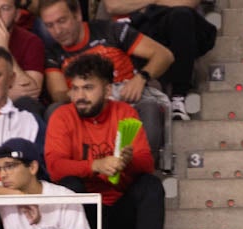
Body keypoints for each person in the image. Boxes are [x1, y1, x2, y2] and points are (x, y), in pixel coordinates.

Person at [44, 53, 172, 229]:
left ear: (107, 89)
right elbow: (55, 167)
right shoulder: (63, 116)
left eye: (88, 88)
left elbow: (146, 163)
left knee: (151, 184)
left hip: (120, 215)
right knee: (68, 185)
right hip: (84, 219)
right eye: (75, 89)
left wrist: (127, 161)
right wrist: (96, 165)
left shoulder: (123, 112)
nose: (80, 96)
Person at [39, 0, 172, 159]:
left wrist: (141, 78)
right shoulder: (53, 53)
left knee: (150, 107)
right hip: (86, 113)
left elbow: (164, 55)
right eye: (50, 25)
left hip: (126, 103)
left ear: (78, 15)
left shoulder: (110, 31)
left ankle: (141, 167)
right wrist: (88, 92)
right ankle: (74, 169)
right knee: (55, 110)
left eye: (62, 21)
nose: (58, 30)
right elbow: (58, 94)